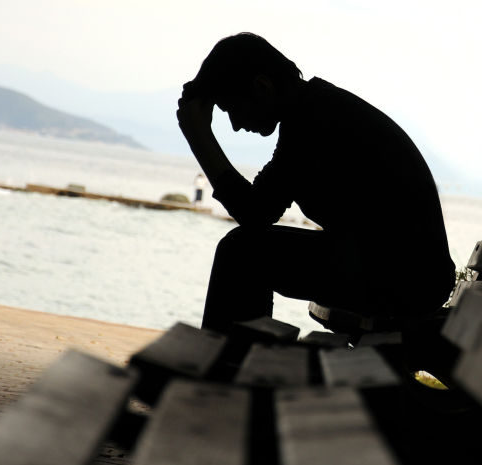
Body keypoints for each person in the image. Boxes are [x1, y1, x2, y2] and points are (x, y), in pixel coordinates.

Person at [177, 33, 456, 334]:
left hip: (406, 280)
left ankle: (222, 369)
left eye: (231, 108)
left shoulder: (313, 120)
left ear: (262, 87)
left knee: (242, 254)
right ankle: (232, 363)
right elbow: (260, 207)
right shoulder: (314, 109)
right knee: (244, 250)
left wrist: (200, 137)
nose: (234, 124)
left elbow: (255, 212)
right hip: (406, 273)